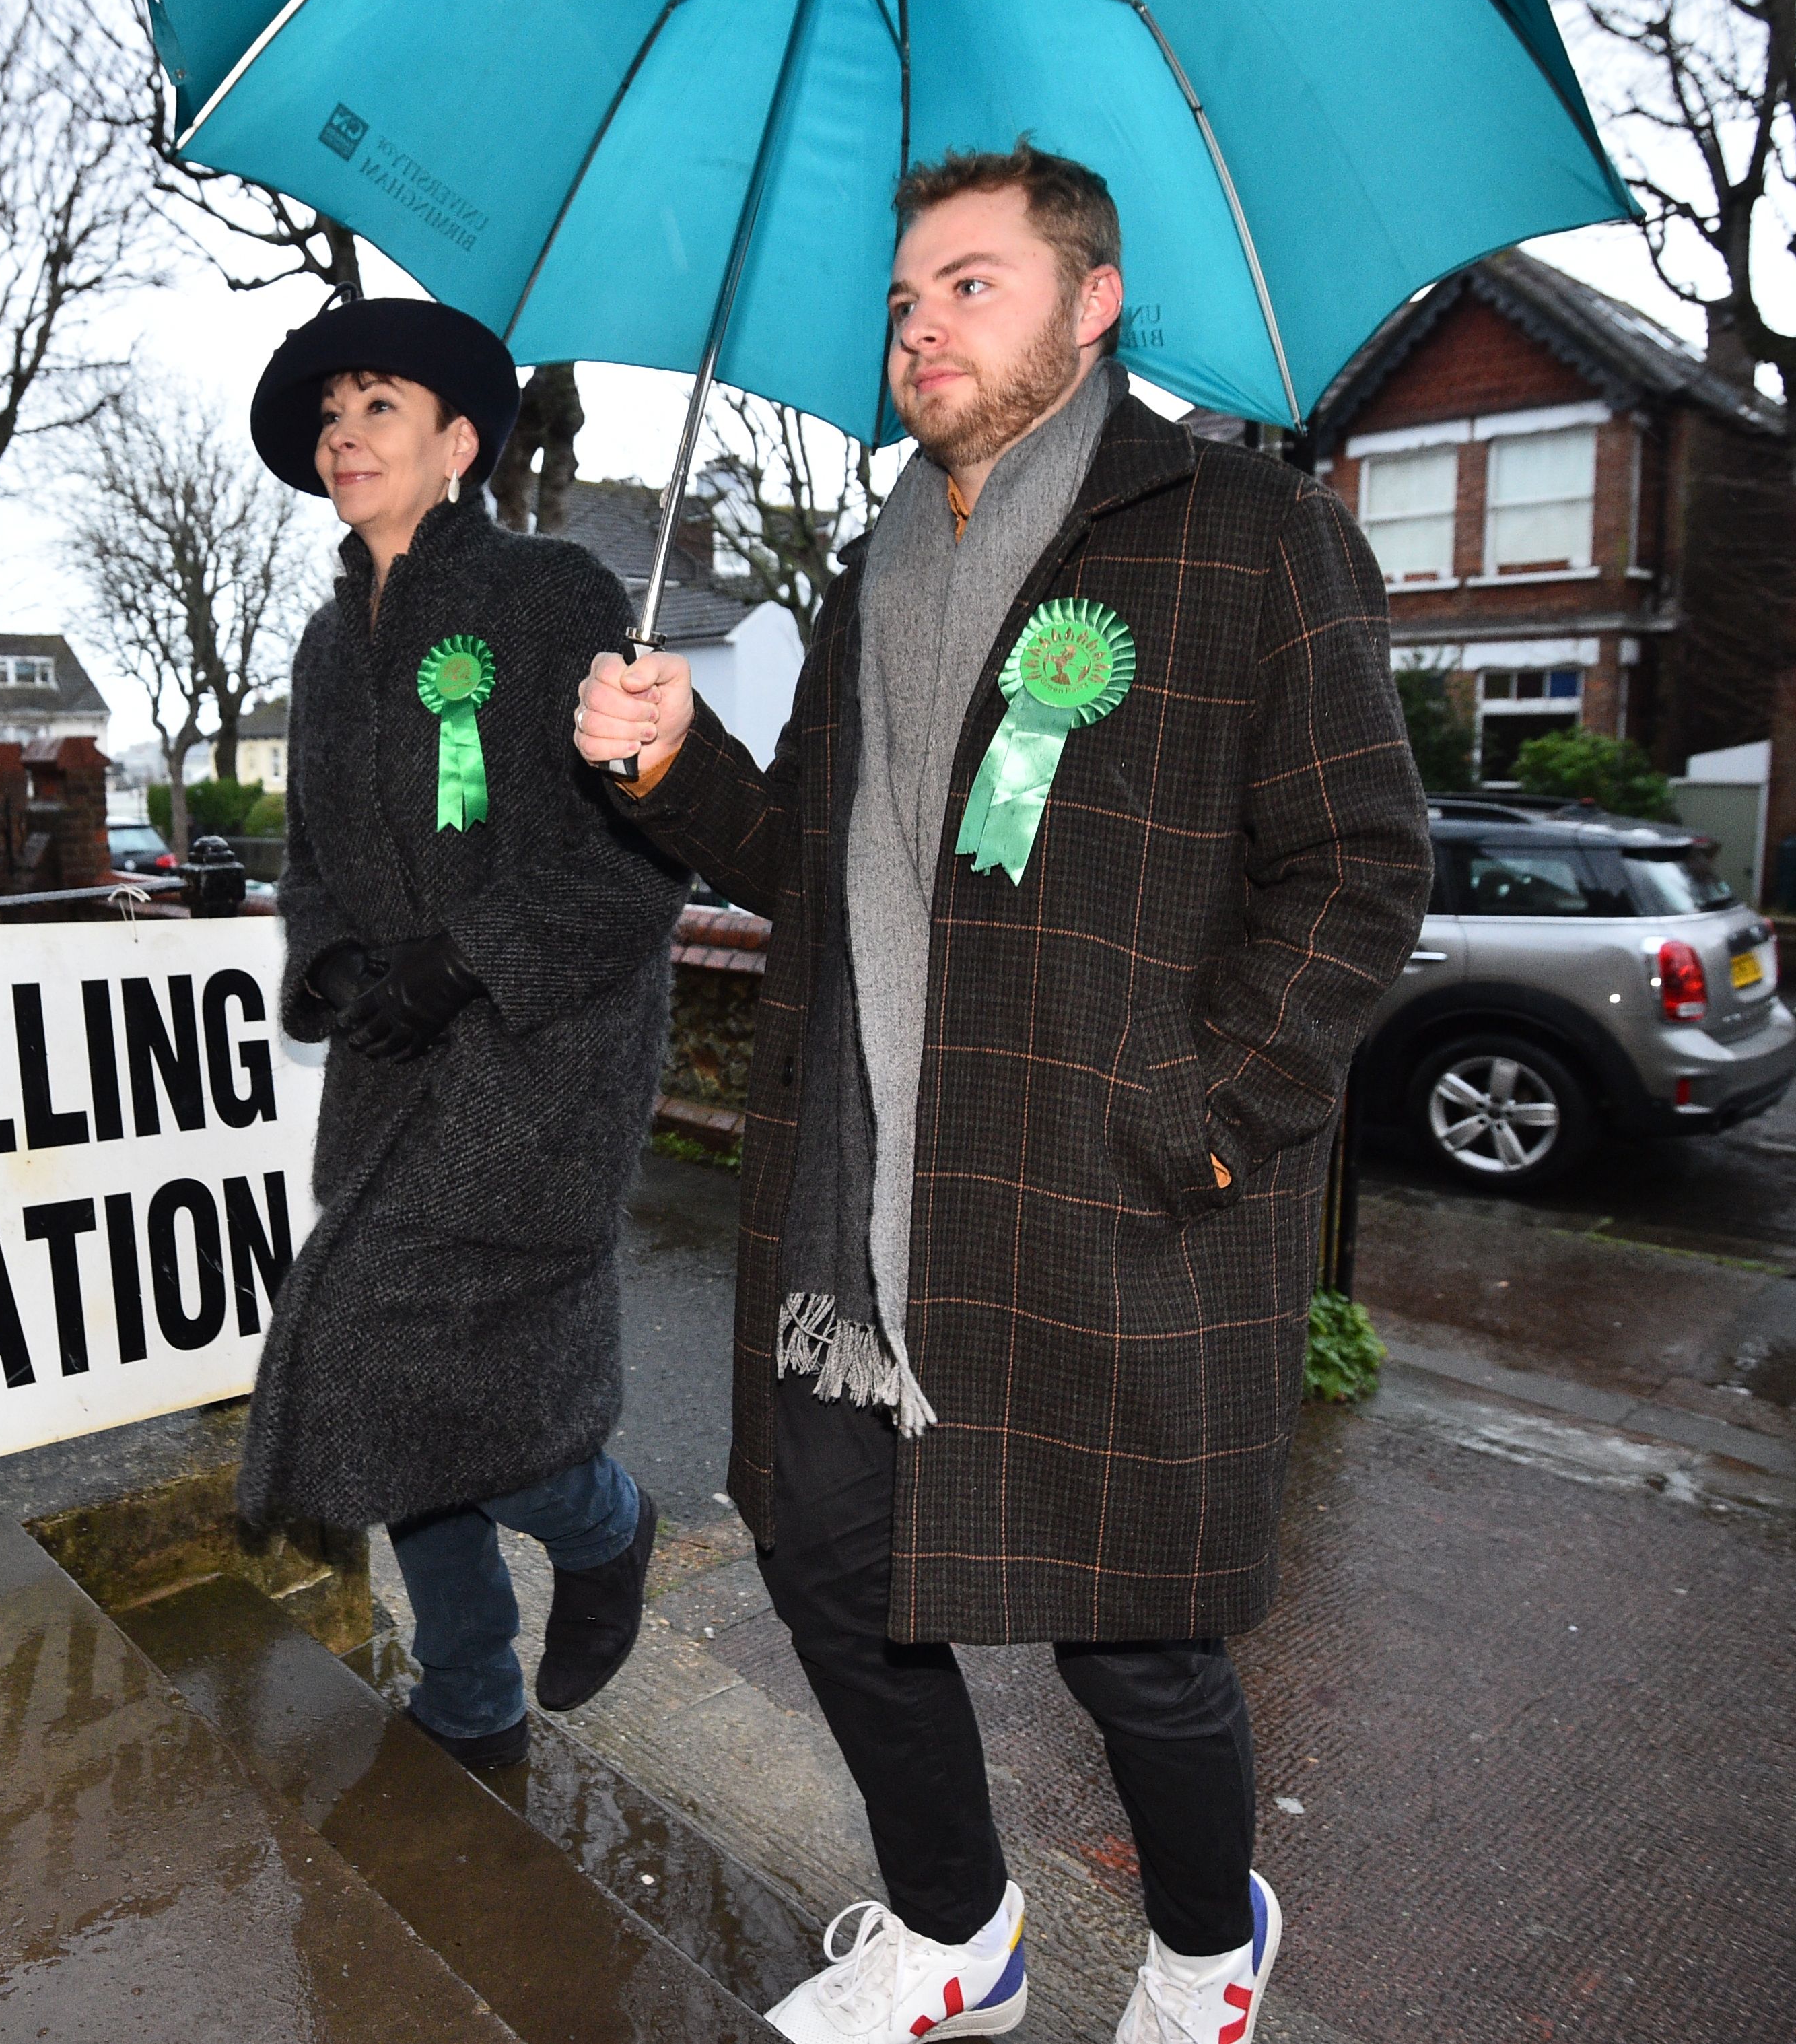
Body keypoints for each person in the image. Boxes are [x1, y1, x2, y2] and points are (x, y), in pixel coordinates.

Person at [574, 145, 1430, 2043]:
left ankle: (1213, 1944)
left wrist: (1205, 1111)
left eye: (967, 283)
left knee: (1129, 1636)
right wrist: (668, 762)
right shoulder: (877, 555)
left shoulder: (1242, 529)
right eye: (900, 300)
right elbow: (809, 859)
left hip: (1112, 1184)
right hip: (857, 1194)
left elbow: (1359, 863)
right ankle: (959, 1928)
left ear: (1089, 299)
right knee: (820, 1557)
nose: (919, 327)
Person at [238, 297, 689, 1771]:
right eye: (330, 415)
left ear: (459, 443)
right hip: (390, 1063)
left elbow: (637, 857)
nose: (343, 433)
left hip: (540, 1064)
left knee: (380, 1362)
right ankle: (472, 1692)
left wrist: (465, 959)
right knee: (399, 1396)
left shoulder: (555, 596)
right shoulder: (320, 644)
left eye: (379, 406)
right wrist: (341, 965)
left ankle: (601, 1524)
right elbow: (305, 860)